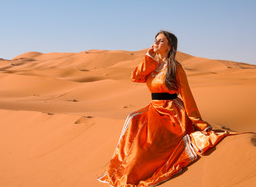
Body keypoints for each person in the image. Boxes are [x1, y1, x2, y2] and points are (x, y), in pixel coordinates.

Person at [97, 30, 227, 187]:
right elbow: (135, 77)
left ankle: (137, 172)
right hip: (154, 109)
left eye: (161, 41)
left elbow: (187, 96)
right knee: (132, 120)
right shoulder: (152, 65)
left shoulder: (176, 68)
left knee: (150, 148)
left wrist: (197, 122)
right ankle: (123, 170)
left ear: (170, 46)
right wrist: (149, 58)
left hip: (172, 114)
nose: (156, 43)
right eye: (155, 40)